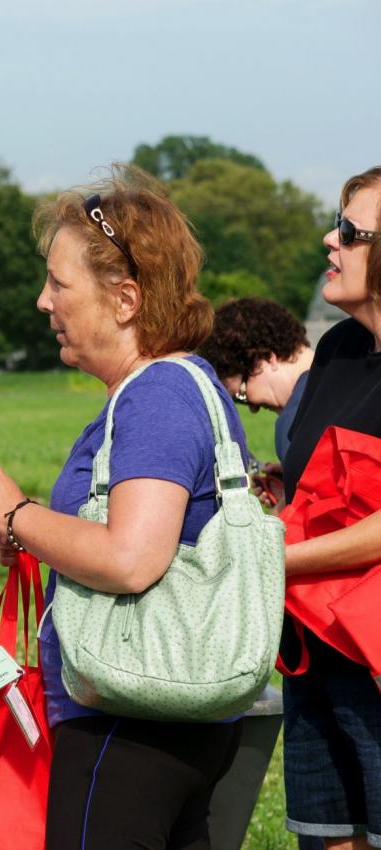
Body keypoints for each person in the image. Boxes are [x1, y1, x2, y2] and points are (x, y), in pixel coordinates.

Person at [0, 165, 247, 850]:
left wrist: (13, 512)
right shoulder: (181, 385)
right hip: (169, 725)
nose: (42, 301)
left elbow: (130, 558)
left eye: (59, 284)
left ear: (124, 299)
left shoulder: (155, 397)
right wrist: (42, 535)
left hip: (130, 722)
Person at [277, 166, 381, 850]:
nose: (329, 239)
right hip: (314, 639)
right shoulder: (338, 349)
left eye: (349, 231)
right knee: (328, 834)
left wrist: (273, 560)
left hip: (372, 651)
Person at [197, 297, 315, 508]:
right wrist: (293, 480)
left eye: (241, 394)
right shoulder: (351, 368)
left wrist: (288, 508)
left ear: (266, 358)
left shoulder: (295, 418)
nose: (252, 407)